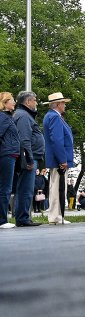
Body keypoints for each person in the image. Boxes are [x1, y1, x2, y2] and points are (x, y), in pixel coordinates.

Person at [42, 92, 75, 225]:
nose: (64, 105)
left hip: (57, 158)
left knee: (56, 187)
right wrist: (62, 160)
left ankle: (57, 215)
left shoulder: (53, 116)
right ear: (57, 104)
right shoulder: (54, 117)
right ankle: (56, 216)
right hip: (59, 159)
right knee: (57, 188)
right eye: (63, 103)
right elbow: (57, 140)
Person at [13, 91, 43, 227]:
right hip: (29, 159)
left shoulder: (24, 115)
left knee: (26, 188)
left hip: (32, 157)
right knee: (25, 188)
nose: (36, 103)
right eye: (35, 100)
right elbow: (24, 140)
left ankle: (23, 217)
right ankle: (23, 218)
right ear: (28, 102)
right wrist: (29, 160)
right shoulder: (24, 116)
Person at [0, 92, 19, 229]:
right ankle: (2, 220)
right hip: (6, 155)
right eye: (12, 100)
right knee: (5, 188)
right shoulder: (3, 117)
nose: (14, 102)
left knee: (6, 187)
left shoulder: (8, 117)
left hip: (9, 154)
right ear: (5, 103)